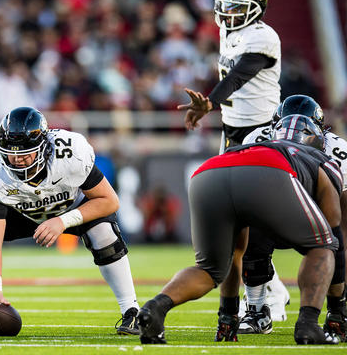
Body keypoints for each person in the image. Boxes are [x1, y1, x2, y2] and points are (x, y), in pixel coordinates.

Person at [137, 115, 342, 345]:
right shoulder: (322, 159)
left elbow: (238, 252)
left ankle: (155, 308)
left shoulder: (256, 142)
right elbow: (335, 234)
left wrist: (228, 316)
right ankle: (308, 326)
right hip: (270, 170)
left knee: (209, 269)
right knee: (324, 245)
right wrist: (337, 311)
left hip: (210, 171)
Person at [0, 107, 140, 335]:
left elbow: (109, 201)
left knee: (104, 232)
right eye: (10, 153)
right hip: (22, 213)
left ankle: (132, 312)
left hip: (71, 208)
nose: (17, 160)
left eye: (25, 152)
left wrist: (63, 221)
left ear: (44, 146)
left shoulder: (69, 151)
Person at [237, 95, 347, 339]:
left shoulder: (338, 150)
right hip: (271, 213)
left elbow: (341, 211)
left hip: (316, 217)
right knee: (249, 227)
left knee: (337, 238)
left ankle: (337, 311)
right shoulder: (256, 139)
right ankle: (257, 311)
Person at [178, 0, 278, 153]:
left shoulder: (263, 36)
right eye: (225, 6)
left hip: (260, 124)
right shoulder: (226, 31)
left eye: (236, 8)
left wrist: (210, 102)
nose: (227, 13)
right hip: (231, 123)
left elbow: (237, 77)